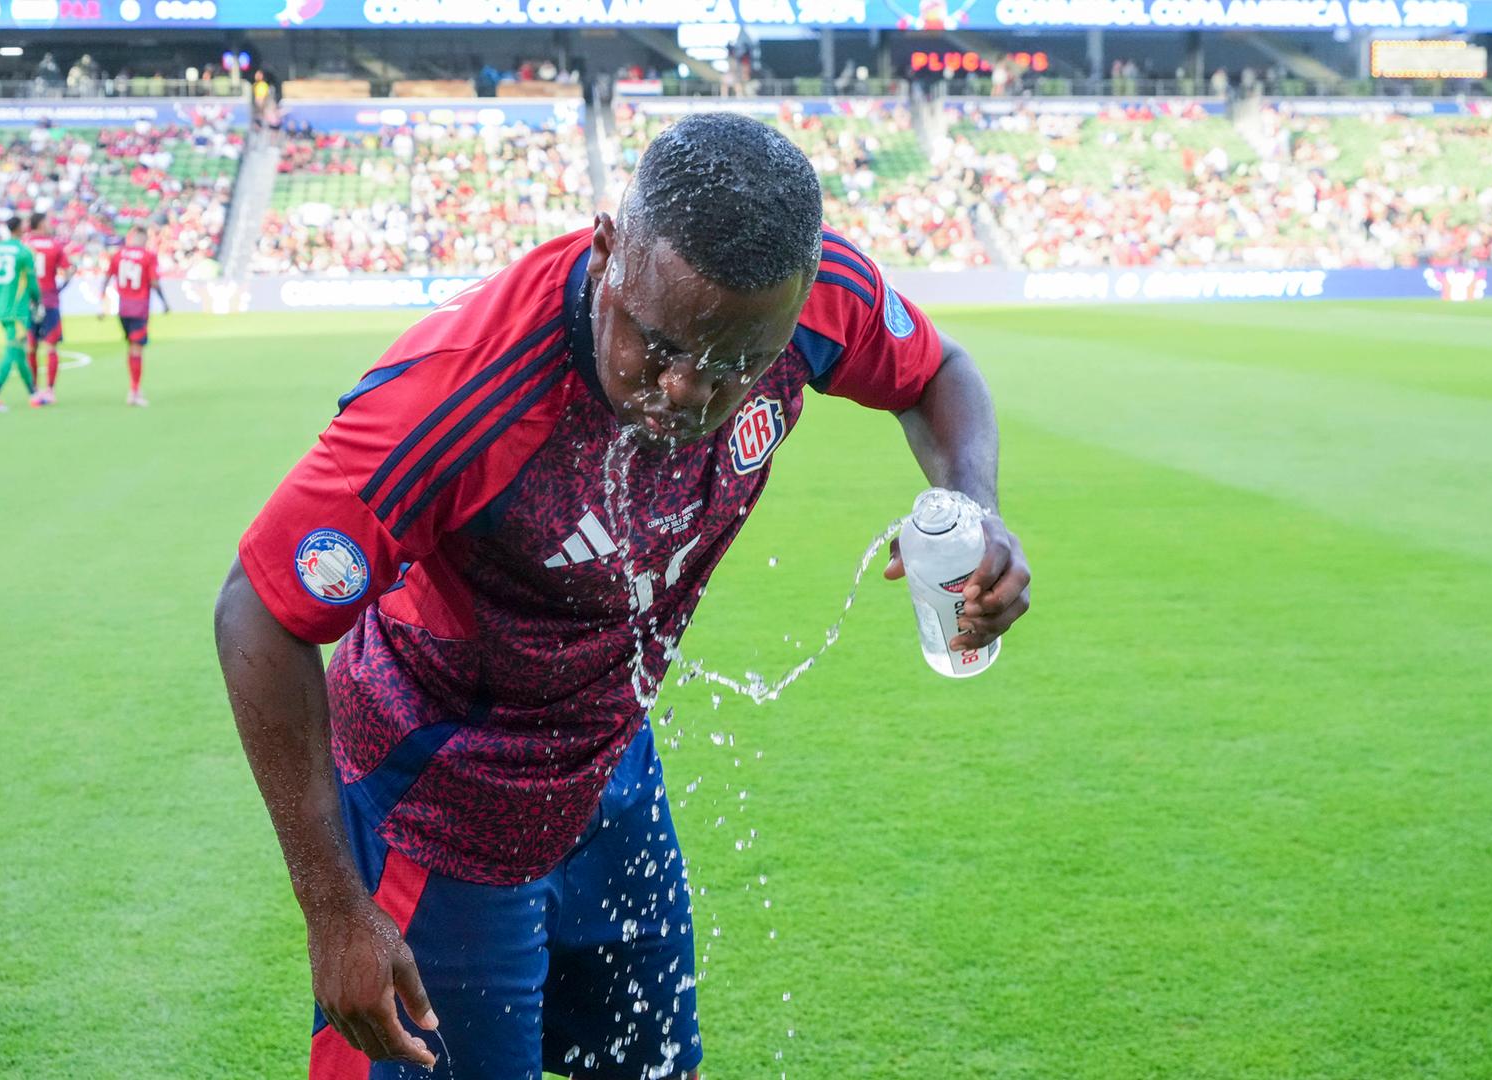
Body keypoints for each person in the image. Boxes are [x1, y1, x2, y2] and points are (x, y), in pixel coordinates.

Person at [214, 113, 1032, 1080]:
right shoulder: (458, 395)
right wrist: (335, 910)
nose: (687, 392)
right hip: (440, 804)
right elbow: (258, 611)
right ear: (607, 251)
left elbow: (938, 372)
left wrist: (970, 508)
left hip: (612, 766)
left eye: (734, 366)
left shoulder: (813, 299)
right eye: (659, 344)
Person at [100, 225, 166, 407]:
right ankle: (134, 391)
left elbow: (107, 278)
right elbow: (154, 281)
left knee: (131, 347)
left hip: (123, 309)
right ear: (143, 238)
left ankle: (135, 389)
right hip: (139, 309)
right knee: (137, 349)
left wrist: (102, 301)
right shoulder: (148, 256)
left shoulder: (119, 254)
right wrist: (165, 302)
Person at [0, 219, 40, 413]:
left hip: (2, 307)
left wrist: (1, 294)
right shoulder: (24, 252)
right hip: (18, 310)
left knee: (20, 354)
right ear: (20, 229)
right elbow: (32, 283)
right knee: (12, 351)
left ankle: (33, 395)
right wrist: (37, 302)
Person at [23, 212, 70, 406]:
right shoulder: (55, 245)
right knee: (50, 346)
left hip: (28, 303)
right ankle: (49, 390)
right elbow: (67, 272)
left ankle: (34, 390)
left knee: (30, 347)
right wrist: (59, 289)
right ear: (41, 224)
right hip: (49, 301)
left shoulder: (24, 245)